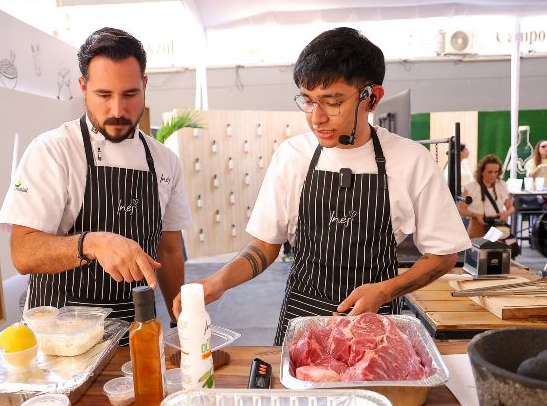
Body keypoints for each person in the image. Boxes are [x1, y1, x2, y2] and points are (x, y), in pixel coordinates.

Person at [172, 27, 470, 345]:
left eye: (332, 102)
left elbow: (444, 254)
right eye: (309, 101)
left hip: (375, 323)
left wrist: (385, 290)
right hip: (302, 319)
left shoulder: (411, 160)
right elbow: (265, 245)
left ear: (372, 98)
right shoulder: (292, 156)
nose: (317, 118)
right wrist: (218, 282)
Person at [0, 27, 192, 343]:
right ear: (83, 87)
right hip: (60, 337)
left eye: (130, 94)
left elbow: (169, 250)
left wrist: (180, 323)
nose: (117, 110)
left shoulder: (164, 161)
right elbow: (23, 253)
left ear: (144, 85)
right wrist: (92, 243)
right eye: (103, 95)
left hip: (137, 332)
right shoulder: (53, 151)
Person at [458, 154, 515, 239]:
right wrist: (475, 215)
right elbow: (461, 209)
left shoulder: (501, 185)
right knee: (476, 251)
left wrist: (506, 214)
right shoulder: (471, 186)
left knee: (498, 251)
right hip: (477, 224)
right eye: (490, 172)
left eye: (496, 172)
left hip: (497, 225)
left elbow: (511, 207)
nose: (493, 175)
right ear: (482, 171)